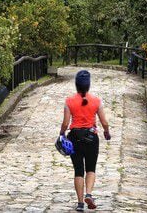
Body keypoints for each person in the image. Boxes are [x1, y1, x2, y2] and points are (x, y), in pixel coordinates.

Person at [60, 70, 111, 211]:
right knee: (90, 169)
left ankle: (80, 203)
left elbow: (65, 123)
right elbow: (104, 122)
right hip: (91, 138)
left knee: (78, 170)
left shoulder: (69, 101)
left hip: (74, 138)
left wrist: (62, 134)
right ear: (88, 85)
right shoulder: (96, 101)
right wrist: (106, 132)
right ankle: (89, 194)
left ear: (77, 85)